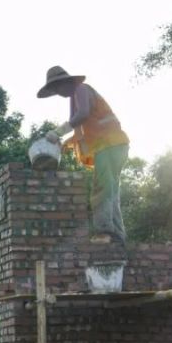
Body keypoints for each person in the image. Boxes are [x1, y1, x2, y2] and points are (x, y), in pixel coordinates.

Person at [37, 66, 130, 243]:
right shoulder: (75, 98)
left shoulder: (81, 89)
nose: (58, 92)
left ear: (64, 82)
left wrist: (58, 132)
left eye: (57, 88)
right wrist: (65, 143)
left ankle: (104, 232)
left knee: (101, 186)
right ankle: (117, 235)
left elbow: (83, 114)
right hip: (115, 145)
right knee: (110, 189)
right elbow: (79, 131)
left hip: (109, 143)